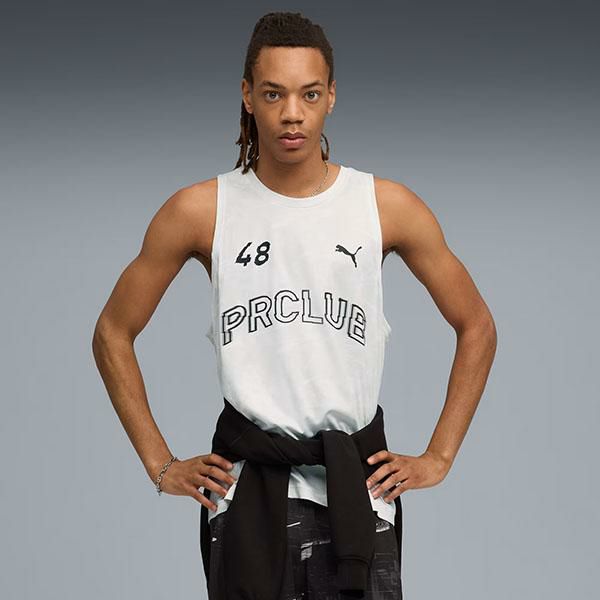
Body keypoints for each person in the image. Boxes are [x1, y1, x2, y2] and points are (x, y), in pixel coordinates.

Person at [92, 10, 497, 600]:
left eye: (309, 94)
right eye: (273, 93)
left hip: (358, 494)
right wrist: (160, 464)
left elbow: (476, 324)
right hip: (248, 496)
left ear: (331, 96)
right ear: (247, 96)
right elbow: (112, 332)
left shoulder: (385, 206)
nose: (291, 113)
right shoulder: (201, 210)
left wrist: (440, 455)